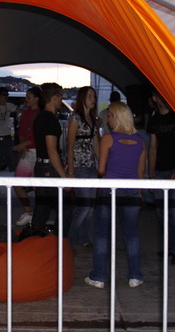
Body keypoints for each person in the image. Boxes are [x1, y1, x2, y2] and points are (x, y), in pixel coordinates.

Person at [85, 101, 146, 289]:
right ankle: (135, 276)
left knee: (101, 234)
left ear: (117, 118)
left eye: (110, 116)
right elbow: (140, 171)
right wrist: (140, 192)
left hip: (109, 189)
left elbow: (101, 170)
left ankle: (99, 277)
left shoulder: (108, 139)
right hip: (132, 190)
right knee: (132, 234)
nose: (108, 119)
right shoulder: (140, 141)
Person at [147, 90, 175, 266]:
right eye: (160, 94)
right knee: (162, 214)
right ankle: (168, 247)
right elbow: (152, 148)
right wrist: (151, 175)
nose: (164, 97)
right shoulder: (154, 119)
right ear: (155, 98)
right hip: (160, 172)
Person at [31, 82, 73, 233]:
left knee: (42, 207)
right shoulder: (50, 119)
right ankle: (59, 240)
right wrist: (64, 177)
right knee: (65, 207)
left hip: (41, 166)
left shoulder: (39, 117)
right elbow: (52, 150)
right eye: (61, 96)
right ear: (54, 98)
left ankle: (36, 239)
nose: (62, 100)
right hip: (49, 168)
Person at [67, 86, 100, 247]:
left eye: (94, 96)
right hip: (79, 166)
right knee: (84, 207)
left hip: (91, 165)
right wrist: (71, 170)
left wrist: (102, 165)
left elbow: (96, 143)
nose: (93, 99)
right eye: (90, 96)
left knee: (89, 207)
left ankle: (83, 238)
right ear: (82, 99)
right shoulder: (75, 118)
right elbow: (70, 145)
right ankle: (71, 240)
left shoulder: (92, 118)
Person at [11, 86, 41, 226]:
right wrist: (23, 145)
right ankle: (29, 212)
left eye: (29, 97)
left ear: (37, 99)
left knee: (37, 187)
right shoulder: (26, 113)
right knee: (18, 183)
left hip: (36, 152)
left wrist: (23, 144)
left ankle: (37, 215)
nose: (26, 99)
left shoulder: (40, 114)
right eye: (26, 97)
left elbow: (38, 137)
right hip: (27, 152)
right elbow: (22, 131)